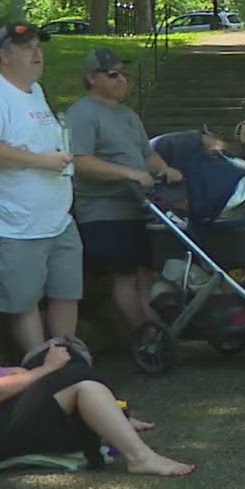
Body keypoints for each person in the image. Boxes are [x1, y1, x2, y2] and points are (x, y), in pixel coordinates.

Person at [0, 262, 193, 476]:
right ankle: (139, 456)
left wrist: (33, 371)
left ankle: (117, 417)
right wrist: (47, 370)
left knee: (67, 364)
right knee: (79, 380)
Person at [0, 23, 81, 355]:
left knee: (66, 290)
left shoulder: (35, 91)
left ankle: (66, 360)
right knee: (24, 300)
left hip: (55, 217)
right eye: (26, 48)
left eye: (38, 47)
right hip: (12, 222)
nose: (37, 54)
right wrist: (41, 161)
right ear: (4, 53)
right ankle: (41, 370)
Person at [65, 47, 182, 332]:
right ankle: (143, 334)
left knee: (148, 273)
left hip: (140, 207)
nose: (122, 81)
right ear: (92, 78)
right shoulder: (81, 114)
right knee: (125, 275)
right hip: (103, 211)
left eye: (124, 75)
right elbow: (80, 162)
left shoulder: (128, 115)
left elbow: (147, 154)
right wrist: (128, 173)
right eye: (114, 75)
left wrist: (165, 170)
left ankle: (156, 330)